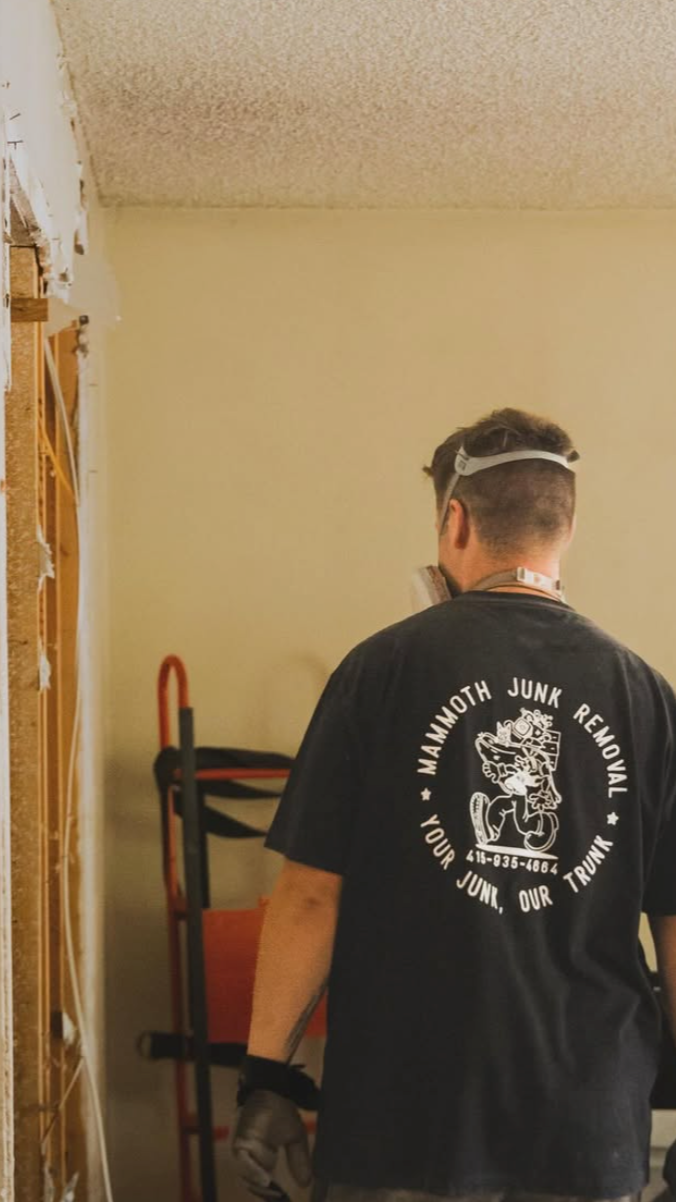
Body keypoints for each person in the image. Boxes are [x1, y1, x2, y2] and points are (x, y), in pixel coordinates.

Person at [233, 408, 676, 1202]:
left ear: (455, 520)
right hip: (585, 1131)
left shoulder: (380, 670)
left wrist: (266, 1077)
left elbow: (308, 896)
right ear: (565, 530)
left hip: (401, 1128)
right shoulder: (646, 697)